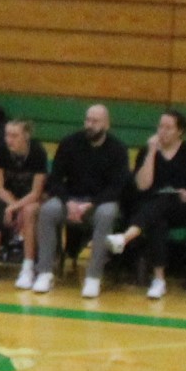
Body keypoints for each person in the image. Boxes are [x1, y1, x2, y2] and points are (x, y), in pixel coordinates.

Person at [32, 105, 129, 298]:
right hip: (71, 200)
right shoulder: (69, 143)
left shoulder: (118, 149)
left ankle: (93, 277)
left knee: (107, 214)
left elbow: (117, 187)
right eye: (88, 120)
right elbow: (55, 179)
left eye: (95, 121)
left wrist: (92, 204)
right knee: (48, 211)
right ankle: (45, 273)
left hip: (99, 203)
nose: (90, 125)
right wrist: (68, 202)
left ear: (106, 124)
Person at [106, 111, 186, 299]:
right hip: (153, 209)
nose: (163, 131)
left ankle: (125, 237)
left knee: (163, 201)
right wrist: (151, 153)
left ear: (180, 131)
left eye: (168, 128)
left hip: (181, 207)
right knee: (158, 220)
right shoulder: (146, 152)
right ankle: (159, 280)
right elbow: (143, 185)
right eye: (160, 126)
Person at [0, 119, 47, 287]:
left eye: (14, 136)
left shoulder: (38, 151)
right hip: (8, 196)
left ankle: (28, 268)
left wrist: (16, 207)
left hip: (31, 198)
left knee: (28, 212)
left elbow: (36, 192)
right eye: (7, 135)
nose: (9, 140)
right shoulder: (0, 150)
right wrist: (12, 206)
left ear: (26, 136)